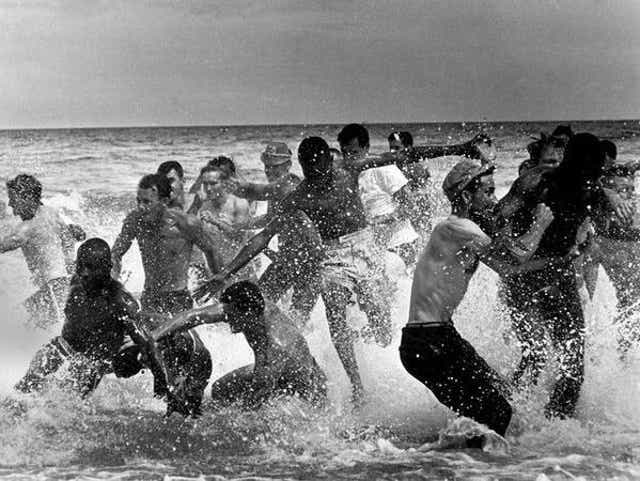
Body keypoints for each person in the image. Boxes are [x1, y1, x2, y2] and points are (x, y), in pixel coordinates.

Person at [194, 128, 493, 405]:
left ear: (329, 160)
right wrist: (225, 273)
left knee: (380, 323)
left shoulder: (347, 169)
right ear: (303, 166)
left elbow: (403, 155)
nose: (319, 174)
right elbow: (263, 236)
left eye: (322, 167)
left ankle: (387, 359)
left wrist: (461, 148)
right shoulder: (300, 196)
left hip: (363, 248)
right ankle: (357, 385)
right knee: (335, 312)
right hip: (332, 254)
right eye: (311, 170)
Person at [399, 160, 555, 438]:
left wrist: (561, 258)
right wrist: (541, 224)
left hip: (442, 337)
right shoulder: (456, 229)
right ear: (468, 196)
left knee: (502, 396)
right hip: (426, 343)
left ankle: (462, 460)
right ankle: (453, 465)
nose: (495, 199)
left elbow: (508, 268)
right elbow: (516, 256)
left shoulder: (467, 231)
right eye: (489, 191)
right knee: (496, 415)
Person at [497, 133, 609, 418]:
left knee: (573, 366)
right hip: (523, 279)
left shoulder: (592, 189)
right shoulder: (536, 182)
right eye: (586, 171)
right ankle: (505, 414)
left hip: (560, 278)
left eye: (594, 173)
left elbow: (590, 235)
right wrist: (518, 251)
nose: (590, 178)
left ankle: (553, 428)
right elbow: (497, 220)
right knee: (534, 357)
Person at [15, 238, 171, 402]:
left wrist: (161, 385)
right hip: (64, 345)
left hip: (93, 362)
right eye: (80, 265)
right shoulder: (75, 282)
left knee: (67, 405)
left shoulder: (120, 301)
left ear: (107, 268)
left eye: (90, 267)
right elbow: (50, 293)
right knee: (23, 389)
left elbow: (148, 344)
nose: (84, 272)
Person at [153, 281, 327, 408]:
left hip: (306, 385)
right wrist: (152, 338)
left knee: (259, 416)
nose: (226, 320)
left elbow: (254, 403)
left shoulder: (273, 347)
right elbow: (191, 317)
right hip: (279, 369)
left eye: (230, 315)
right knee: (221, 389)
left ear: (248, 314)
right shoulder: (252, 308)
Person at [229, 142, 322, 322]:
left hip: (309, 265)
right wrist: (240, 225)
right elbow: (270, 219)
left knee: (298, 320)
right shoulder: (276, 189)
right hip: (285, 261)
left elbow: (310, 228)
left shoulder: (292, 186)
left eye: (274, 167)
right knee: (255, 307)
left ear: (288, 165)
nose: (269, 171)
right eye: (266, 167)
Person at [111, 173, 220, 313]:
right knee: (150, 334)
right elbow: (116, 253)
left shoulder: (186, 224)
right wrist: (114, 283)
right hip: (150, 296)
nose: (140, 207)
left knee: (181, 335)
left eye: (147, 202)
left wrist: (216, 278)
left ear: (164, 201)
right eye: (138, 201)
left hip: (178, 297)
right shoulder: (135, 221)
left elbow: (210, 250)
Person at [0, 175, 81, 328]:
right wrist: (70, 262)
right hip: (69, 284)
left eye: (12, 199)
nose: (10, 204)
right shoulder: (51, 212)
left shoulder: (25, 229)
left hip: (52, 291)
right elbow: (68, 238)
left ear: (27, 197)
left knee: (11, 325)